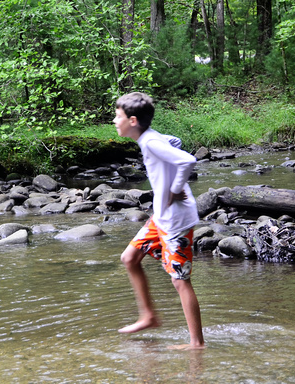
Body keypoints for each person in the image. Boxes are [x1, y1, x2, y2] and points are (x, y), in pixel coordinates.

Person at [112, 92, 205, 350]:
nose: (113, 120)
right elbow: (175, 141)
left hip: (176, 220)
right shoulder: (151, 139)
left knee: (180, 280)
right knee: (129, 258)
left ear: (132, 120)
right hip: (161, 218)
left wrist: (175, 189)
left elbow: (188, 160)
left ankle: (196, 344)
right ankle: (149, 316)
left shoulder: (151, 142)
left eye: (117, 116)